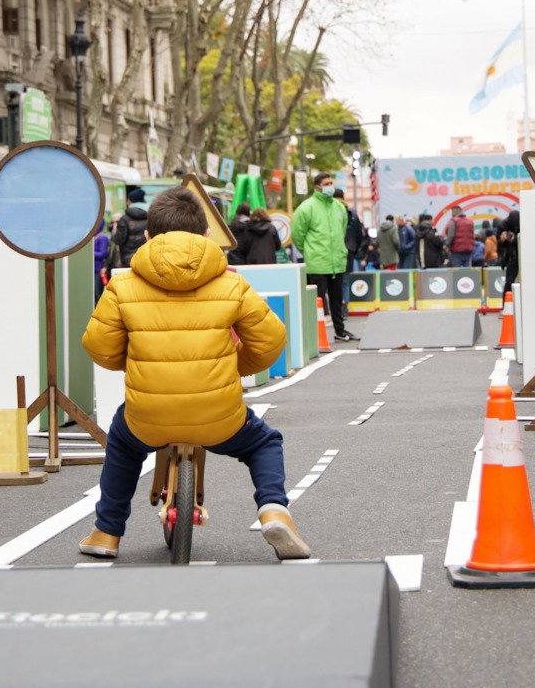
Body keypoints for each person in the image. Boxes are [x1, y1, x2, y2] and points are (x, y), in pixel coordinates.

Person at [78, 187, 308, 561]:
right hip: (219, 417)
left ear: (149, 236)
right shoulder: (230, 283)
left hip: (148, 417)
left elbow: (99, 346)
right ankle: (274, 510)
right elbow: (270, 340)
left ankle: (107, 532)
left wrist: (137, 362)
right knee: (264, 442)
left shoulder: (122, 285)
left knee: (122, 442)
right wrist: (235, 365)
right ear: (205, 236)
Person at [291, 173, 356, 342]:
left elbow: (341, 231)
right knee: (316, 301)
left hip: (336, 262)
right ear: (317, 187)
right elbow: (297, 234)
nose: (330, 186)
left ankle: (340, 331)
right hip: (317, 262)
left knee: (336, 300)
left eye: (331, 183)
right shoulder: (306, 208)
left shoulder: (339, 207)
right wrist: (309, 251)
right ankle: (314, 336)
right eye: (326, 183)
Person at [114, 187, 150, 267]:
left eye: (128, 200)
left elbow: (118, 240)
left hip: (128, 260)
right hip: (146, 259)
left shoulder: (125, 219)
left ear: (131, 201)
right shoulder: (150, 217)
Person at [336, 188, 366, 272]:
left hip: (334, 250)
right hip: (350, 249)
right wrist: (354, 249)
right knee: (347, 278)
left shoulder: (329, 213)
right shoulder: (352, 214)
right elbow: (359, 235)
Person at [497, 208, 520, 294]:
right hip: (510, 256)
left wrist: (515, 240)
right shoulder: (503, 226)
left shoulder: (523, 224)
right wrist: (502, 240)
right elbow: (497, 245)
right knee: (509, 281)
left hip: (521, 254)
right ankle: (507, 303)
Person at [93, 218, 110, 302]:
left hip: (98, 269)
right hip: (91, 269)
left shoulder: (103, 238)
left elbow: (103, 253)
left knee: (97, 293)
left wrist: (90, 254)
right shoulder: (91, 238)